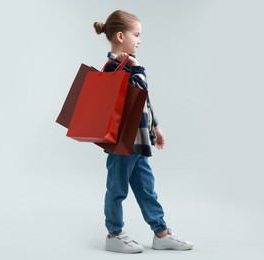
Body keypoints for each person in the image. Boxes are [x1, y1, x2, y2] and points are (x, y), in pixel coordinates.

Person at [93, 10, 193, 254]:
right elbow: (139, 87)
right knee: (117, 188)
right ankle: (114, 234)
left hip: (139, 141)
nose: (139, 40)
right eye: (136, 34)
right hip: (122, 142)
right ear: (119, 36)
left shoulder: (128, 65)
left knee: (147, 188)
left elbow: (143, 101)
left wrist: (155, 128)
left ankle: (161, 233)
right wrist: (137, 68)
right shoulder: (113, 68)